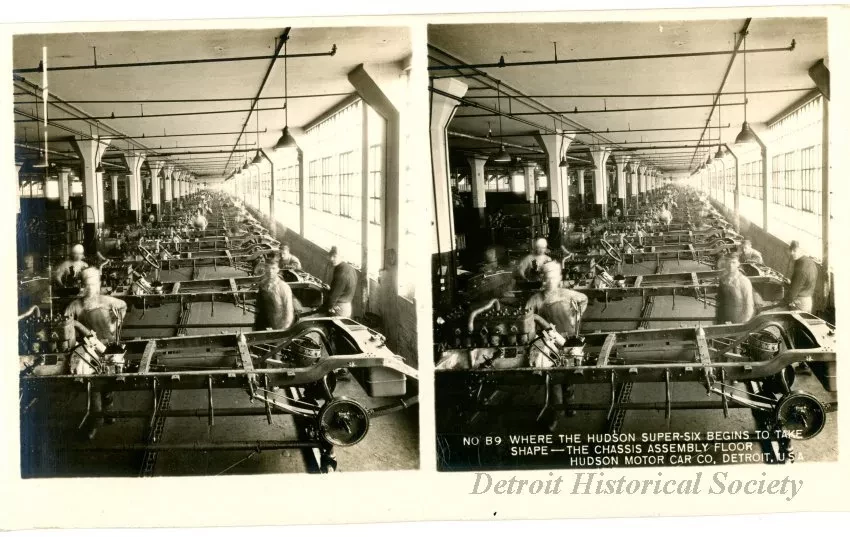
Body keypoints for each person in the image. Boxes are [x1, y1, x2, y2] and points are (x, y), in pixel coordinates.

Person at [64, 268, 128, 440]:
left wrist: (116, 322)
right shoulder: (75, 306)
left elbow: (123, 306)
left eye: (93, 284)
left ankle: (108, 408)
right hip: (89, 350)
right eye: (87, 284)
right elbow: (66, 322)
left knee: (109, 383)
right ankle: (95, 421)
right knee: (94, 385)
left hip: (109, 348)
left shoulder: (108, 301)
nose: (90, 287)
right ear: (82, 285)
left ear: (99, 284)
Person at [525, 261, 589, 428]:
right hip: (548, 344)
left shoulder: (568, 294)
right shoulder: (536, 299)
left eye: (553, 277)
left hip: (568, 341)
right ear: (542, 279)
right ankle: (556, 414)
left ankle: (570, 405)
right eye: (547, 277)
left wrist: (576, 316)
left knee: (570, 376)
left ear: (559, 277)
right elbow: (526, 318)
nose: (550, 281)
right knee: (553, 380)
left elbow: (584, 299)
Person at [253, 256, 295, 332]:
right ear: (265, 268)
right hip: (261, 326)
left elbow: (289, 313)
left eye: (273, 268)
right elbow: (258, 308)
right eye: (268, 267)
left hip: (276, 328)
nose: (270, 271)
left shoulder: (284, 288)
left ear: (278, 269)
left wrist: (281, 332)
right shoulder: (262, 284)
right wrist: (255, 325)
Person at [715, 254, 755, 324]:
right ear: (725, 263)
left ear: (738, 264)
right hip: (723, 316)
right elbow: (719, 301)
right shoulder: (723, 279)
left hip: (737, 318)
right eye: (728, 262)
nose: (731, 265)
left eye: (733, 262)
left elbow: (749, 305)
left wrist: (743, 324)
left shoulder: (744, 281)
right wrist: (717, 319)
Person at [324, 246, 357, 317]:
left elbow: (332, 297)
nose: (331, 259)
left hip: (339, 308)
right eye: (331, 256)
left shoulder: (341, 273)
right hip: (346, 306)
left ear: (342, 256)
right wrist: (330, 289)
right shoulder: (349, 268)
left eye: (335, 256)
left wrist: (326, 307)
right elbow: (344, 289)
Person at [787, 240, 818, 314]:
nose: (792, 253)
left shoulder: (801, 268)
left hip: (799, 304)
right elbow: (805, 282)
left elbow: (792, 294)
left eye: (794, 250)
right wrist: (792, 283)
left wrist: (782, 301)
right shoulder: (810, 262)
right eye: (791, 250)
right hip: (808, 300)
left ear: (801, 250)